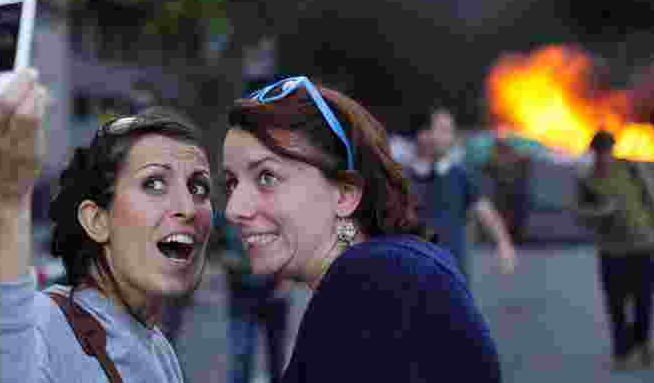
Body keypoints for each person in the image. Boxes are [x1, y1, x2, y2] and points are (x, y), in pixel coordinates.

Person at [222, 76, 502, 383]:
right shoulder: (373, 276)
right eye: (231, 183)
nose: (234, 209)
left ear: (344, 193)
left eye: (266, 177)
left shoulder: (375, 279)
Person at [0, 57, 213, 382]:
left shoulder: (160, 351)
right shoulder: (43, 327)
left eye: (199, 187)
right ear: (96, 220)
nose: (188, 208)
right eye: (154, 183)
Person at [573, 130, 654, 371]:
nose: (604, 156)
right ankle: (621, 352)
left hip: (643, 245)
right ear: (593, 152)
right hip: (611, 250)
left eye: (608, 150)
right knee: (615, 304)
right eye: (600, 151)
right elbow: (580, 214)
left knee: (644, 300)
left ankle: (643, 342)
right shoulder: (587, 180)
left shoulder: (631, 170)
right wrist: (601, 212)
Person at [405, 107, 517, 283]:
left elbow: (484, 210)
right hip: (411, 275)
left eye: (449, 132)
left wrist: (503, 243)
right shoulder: (403, 178)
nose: (447, 138)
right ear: (423, 134)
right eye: (441, 130)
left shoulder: (460, 175)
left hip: (452, 275)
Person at [217, 211, 291, 383]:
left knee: (276, 358)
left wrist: (285, 280)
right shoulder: (230, 211)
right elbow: (218, 248)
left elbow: (289, 243)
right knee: (241, 355)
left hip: (274, 293)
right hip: (242, 292)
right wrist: (240, 263)